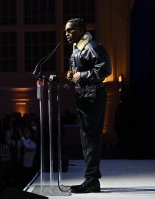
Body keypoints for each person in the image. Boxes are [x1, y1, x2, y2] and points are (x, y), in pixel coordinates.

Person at [65, 18, 111, 193]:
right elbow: (80, 72)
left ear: (81, 29)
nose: (67, 33)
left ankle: (92, 181)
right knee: (87, 140)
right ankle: (90, 179)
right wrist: (73, 75)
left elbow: (106, 69)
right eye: (66, 31)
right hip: (85, 97)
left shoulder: (91, 46)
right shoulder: (78, 49)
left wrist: (81, 75)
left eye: (70, 30)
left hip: (93, 97)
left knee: (91, 140)